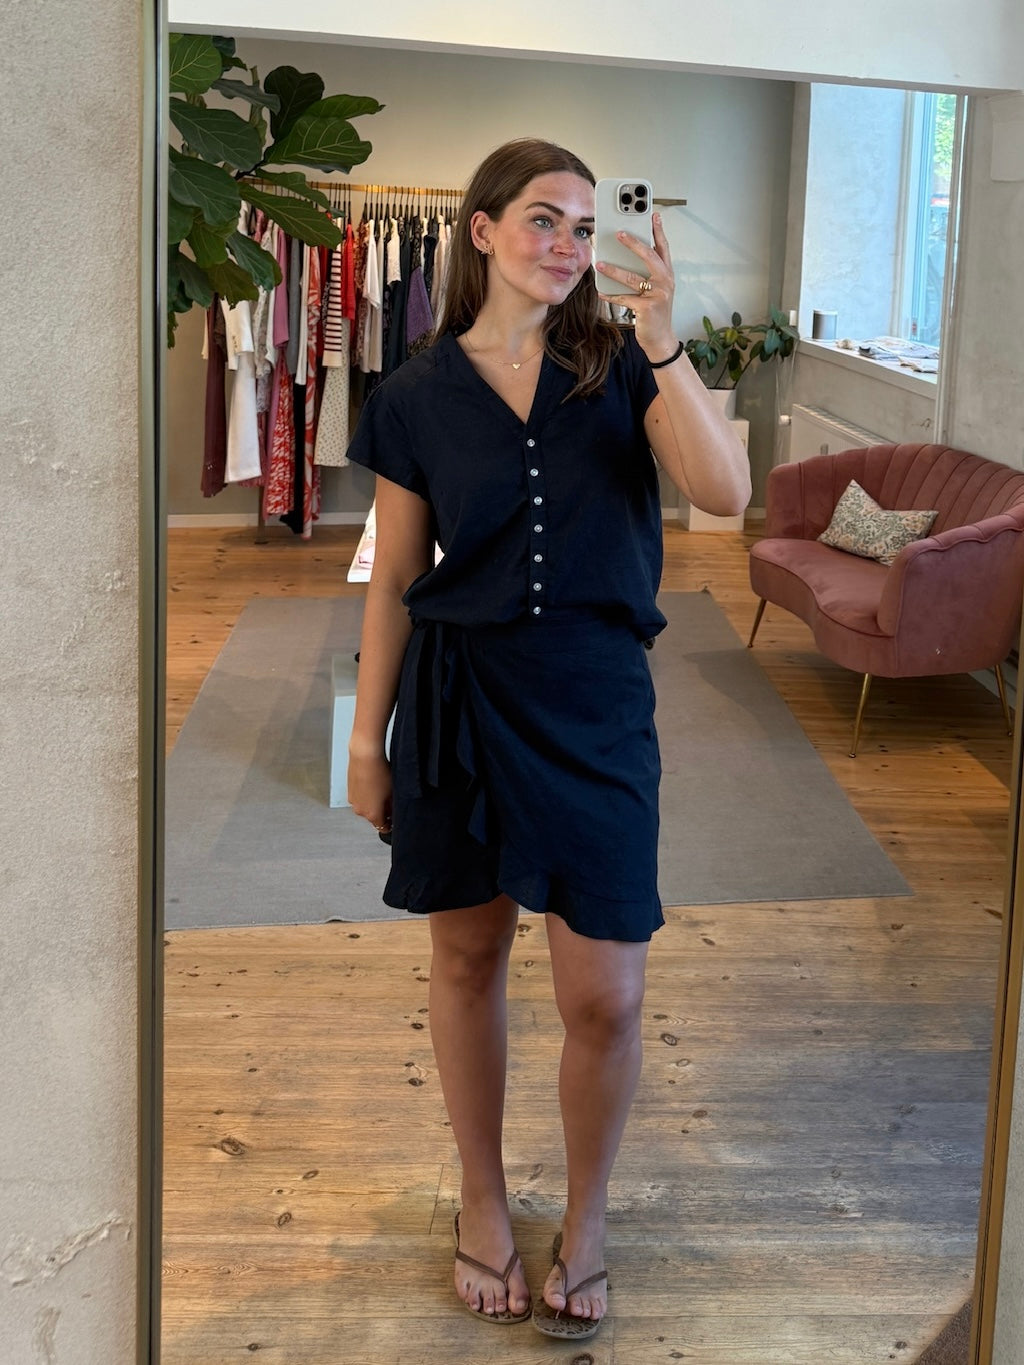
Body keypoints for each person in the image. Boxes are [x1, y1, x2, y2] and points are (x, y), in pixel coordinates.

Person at [345, 137, 749, 1340]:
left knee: (606, 997)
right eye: (542, 219)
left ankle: (588, 1216)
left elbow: (724, 494)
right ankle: (480, 1197)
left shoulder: (622, 367)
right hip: (459, 703)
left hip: (594, 706)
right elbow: (393, 578)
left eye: (583, 225)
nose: (567, 245)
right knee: (467, 960)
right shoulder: (413, 395)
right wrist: (366, 740)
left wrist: (661, 331)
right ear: (480, 230)